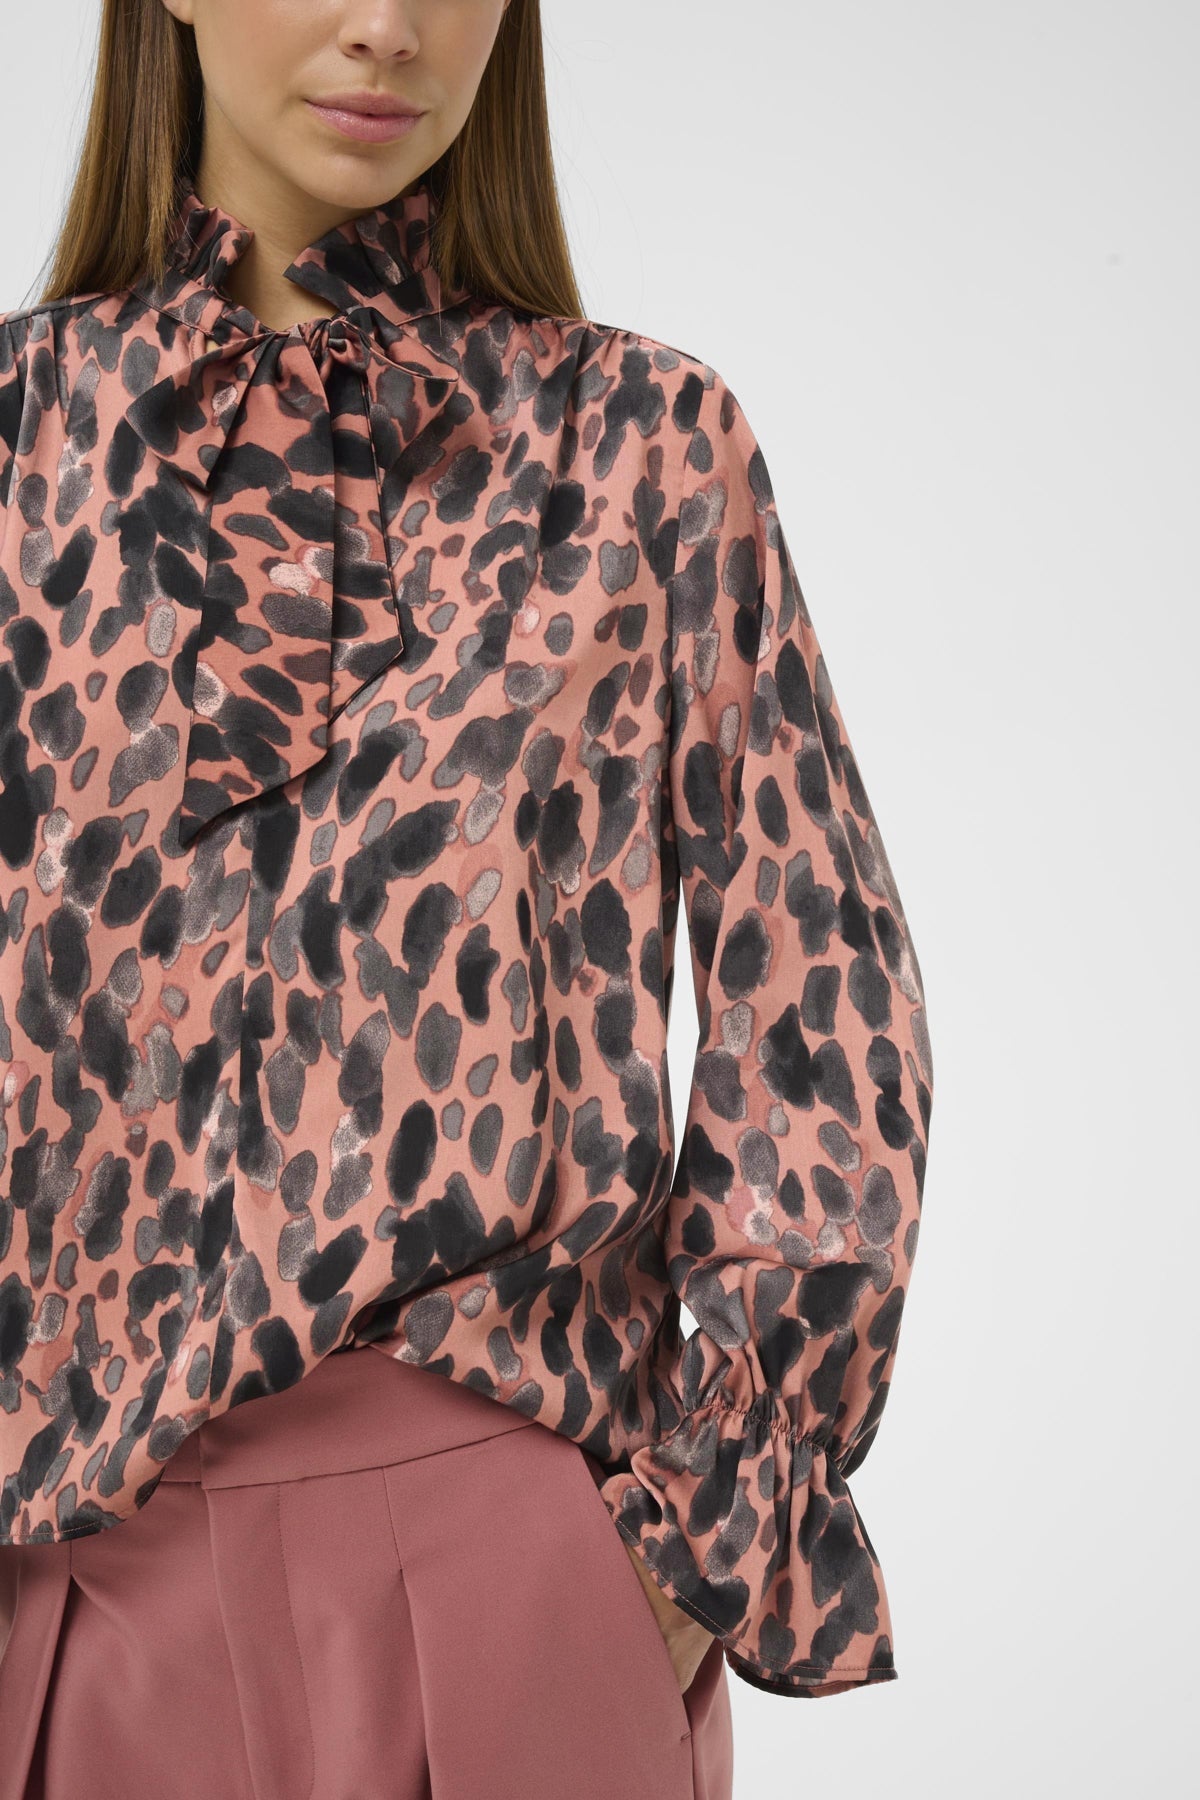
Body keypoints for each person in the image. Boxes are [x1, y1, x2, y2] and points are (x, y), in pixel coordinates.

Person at [0, 0, 935, 1793]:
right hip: (64, 1588)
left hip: (510, 1564)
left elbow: (821, 1006)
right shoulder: (17, 442)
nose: (389, 27)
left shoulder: (641, 445)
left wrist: (692, 1545)